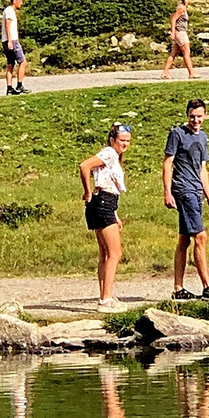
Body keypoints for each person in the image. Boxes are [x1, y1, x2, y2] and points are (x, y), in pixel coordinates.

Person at [163, 98, 209, 300]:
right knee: (201, 236)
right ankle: (207, 287)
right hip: (183, 189)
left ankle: (178, 289)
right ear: (187, 115)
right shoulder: (177, 134)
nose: (195, 120)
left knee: (184, 239)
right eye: (192, 116)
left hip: (196, 191)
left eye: (199, 116)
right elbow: (167, 163)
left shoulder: (203, 137)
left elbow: (202, 169)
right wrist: (167, 191)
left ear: (205, 115)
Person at [80, 122, 132, 313]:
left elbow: (108, 184)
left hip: (106, 203)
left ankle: (105, 295)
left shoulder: (115, 157)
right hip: (102, 203)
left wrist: (115, 214)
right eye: (121, 141)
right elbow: (84, 166)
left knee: (105, 254)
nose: (124, 144)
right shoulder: (109, 153)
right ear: (112, 140)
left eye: (127, 141)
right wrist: (87, 192)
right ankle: (105, 299)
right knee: (115, 253)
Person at [161, 0, 201, 80]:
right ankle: (191, 73)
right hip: (180, 32)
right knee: (186, 52)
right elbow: (173, 19)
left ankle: (165, 72)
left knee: (174, 53)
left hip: (179, 32)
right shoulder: (182, 8)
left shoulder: (182, 7)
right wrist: (172, 32)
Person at [0, 0, 31, 95]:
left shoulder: (9, 11)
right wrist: (10, 40)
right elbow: (7, 26)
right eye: (20, 1)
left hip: (7, 40)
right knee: (23, 62)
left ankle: (9, 88)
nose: (21, 3)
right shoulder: (9, 11)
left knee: (11, 64)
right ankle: (19, 84)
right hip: (11, 40)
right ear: (14, 1)